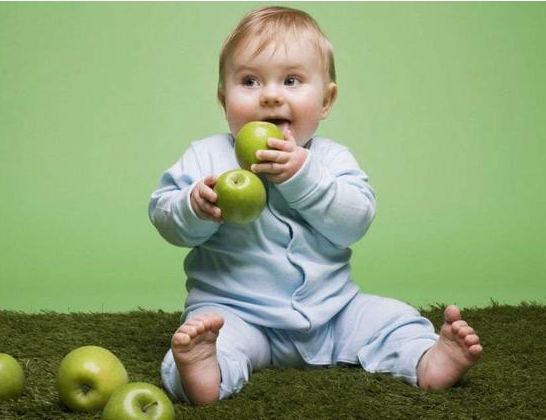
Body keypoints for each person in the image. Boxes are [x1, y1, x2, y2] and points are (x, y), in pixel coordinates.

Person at [148, 6, 482, 405]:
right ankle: (203, 373)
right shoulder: (206, 157)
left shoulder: (331, 160)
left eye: (291, 80)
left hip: (334, 312)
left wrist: (302, 176)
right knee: (211, 339)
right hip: (237, 314)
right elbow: (164, 216)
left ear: (326, 100)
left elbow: (355, 221)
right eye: (250, 81)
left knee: (393, 318)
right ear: (224, 99)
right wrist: (193, 207)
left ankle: (428, 358)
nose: (271, 94)